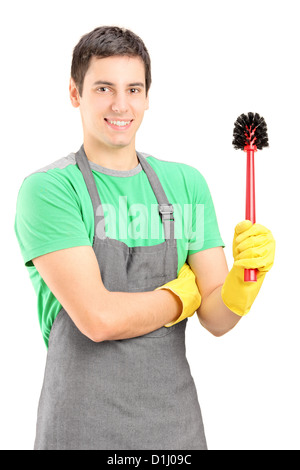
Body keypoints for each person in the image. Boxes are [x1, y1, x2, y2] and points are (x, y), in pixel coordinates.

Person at [14, 26, 275, 450]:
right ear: (75, 93)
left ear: (148, 96)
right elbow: (98, 319)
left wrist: (245, 280)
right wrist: (179, 297)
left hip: (174, 431)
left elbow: (216, 318)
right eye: (103, 88)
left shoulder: (185, 184)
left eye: (133, 88)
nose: (121, 104)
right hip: (80, 429)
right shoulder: (50, 190)